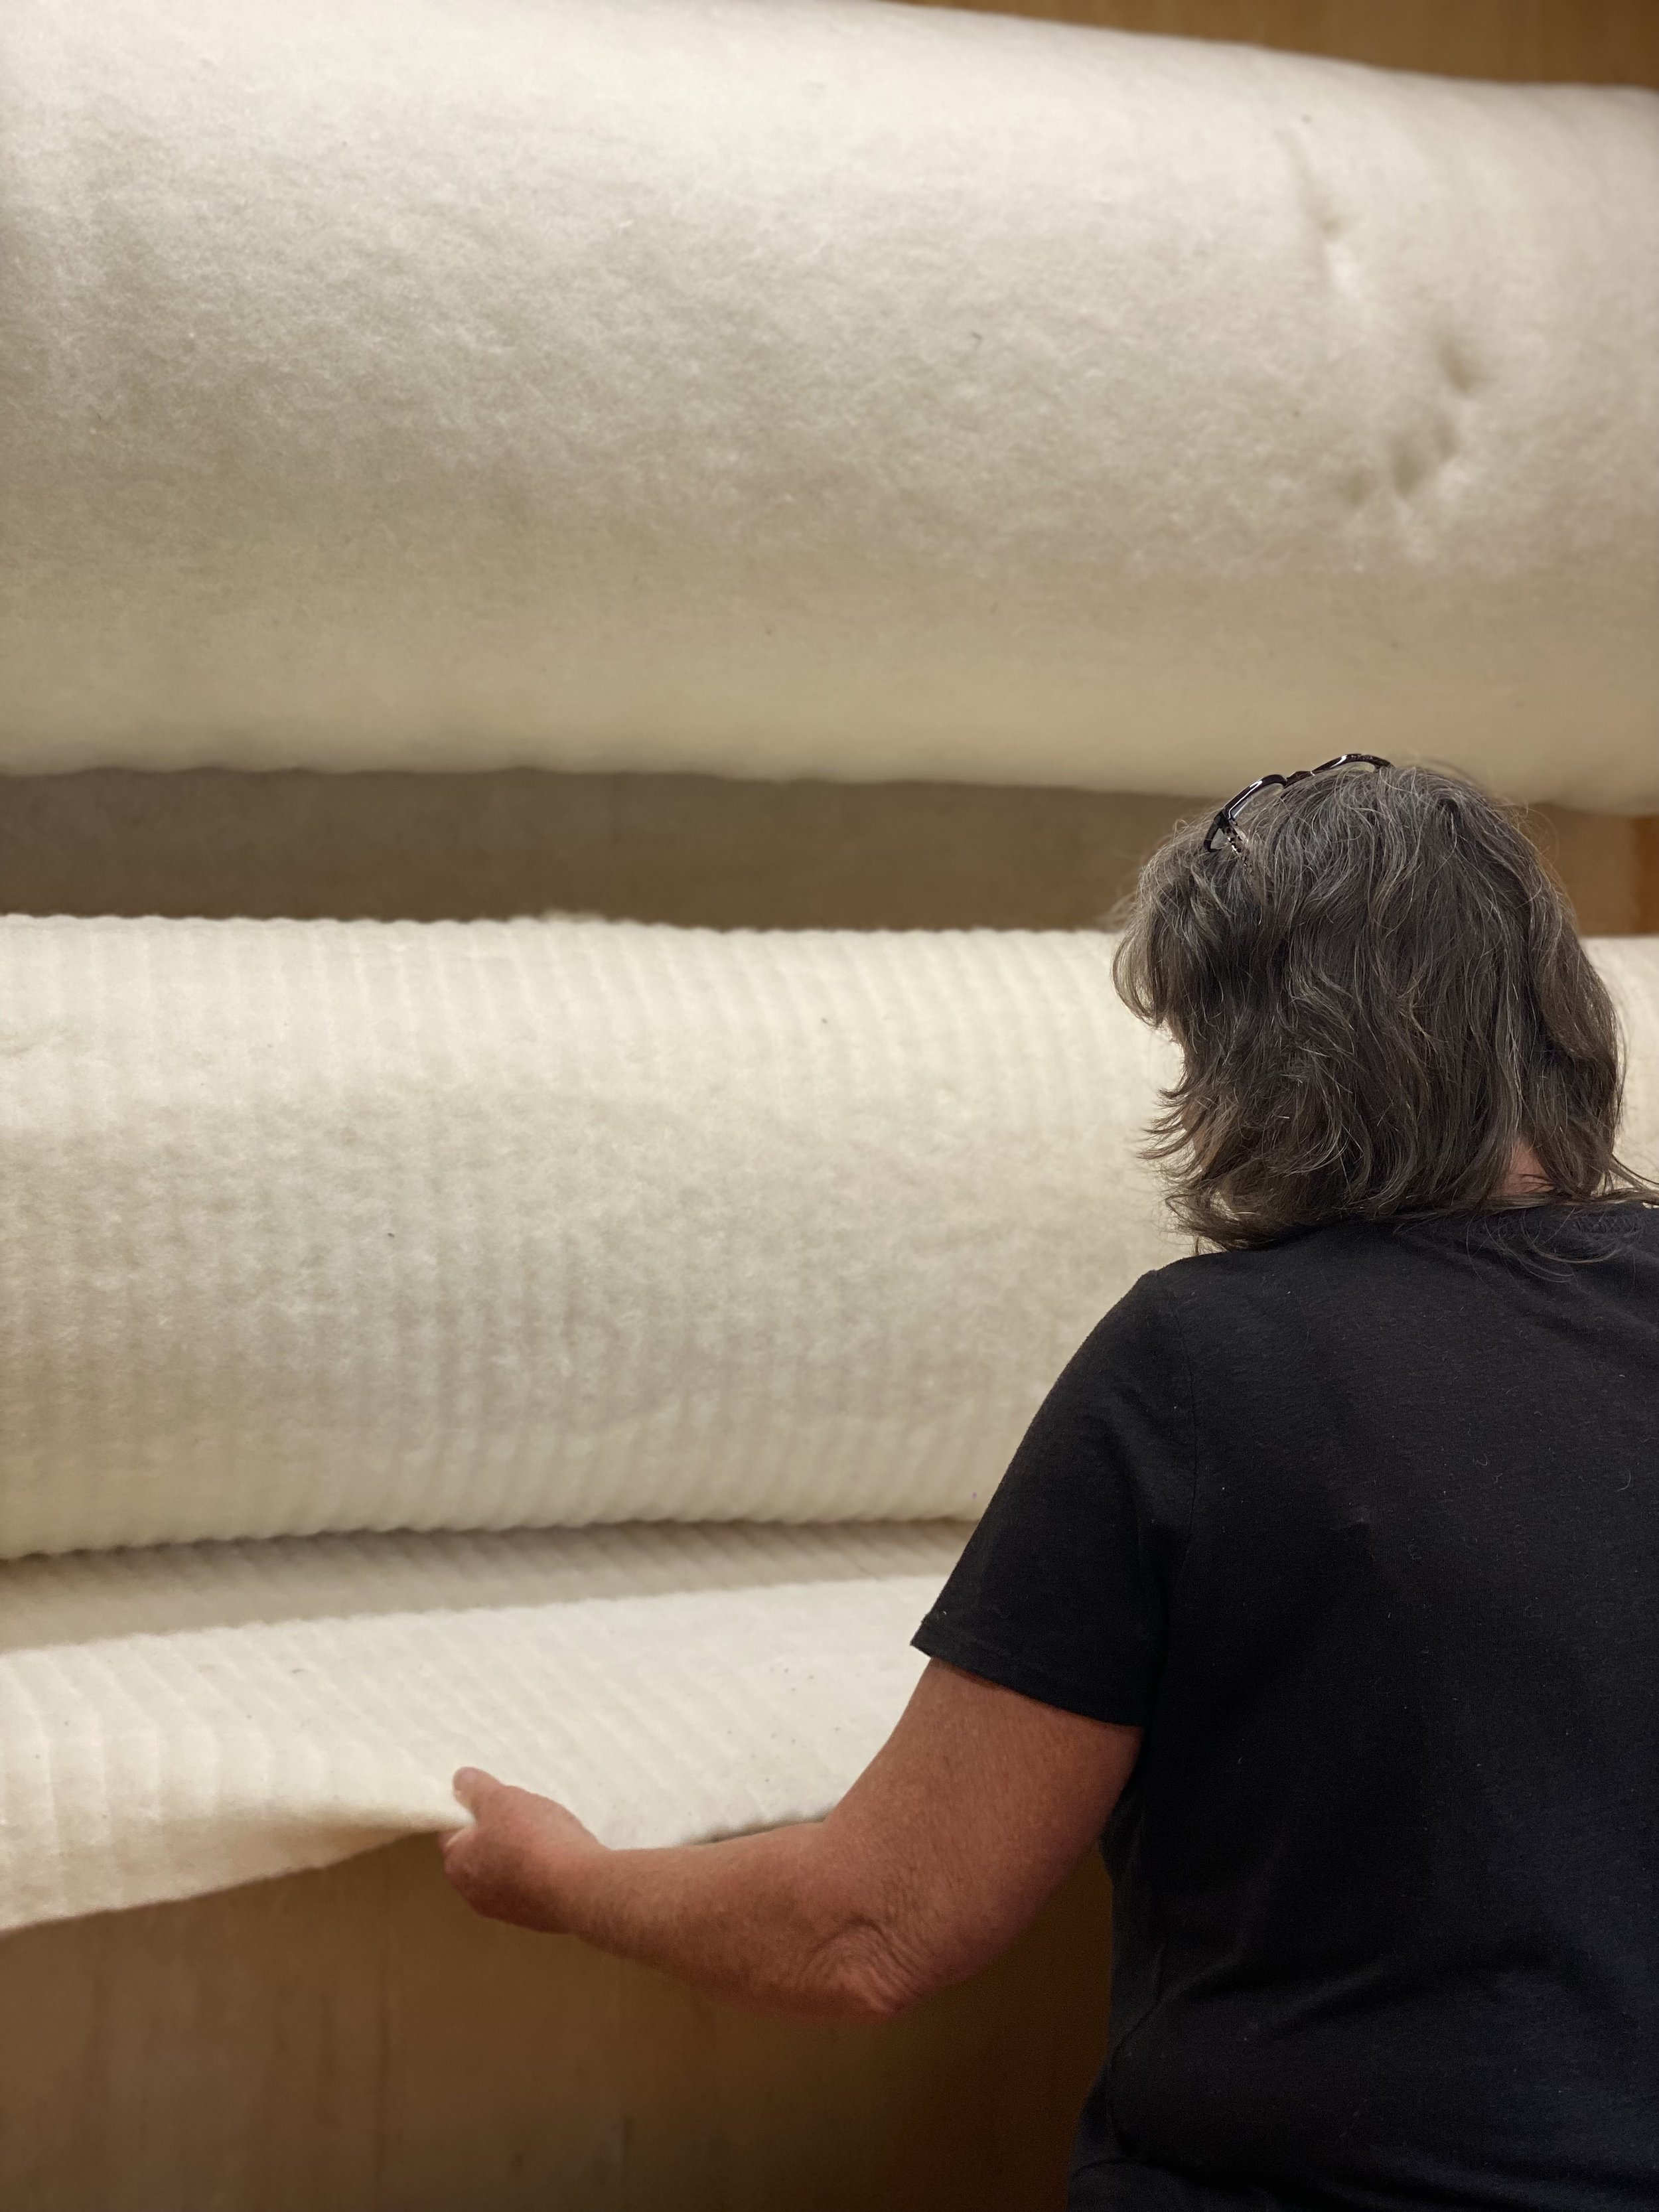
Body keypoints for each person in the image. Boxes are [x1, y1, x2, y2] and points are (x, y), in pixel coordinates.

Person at [441, 759, 1658, 2211]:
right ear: (1559, 1019)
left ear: (1249, 1066)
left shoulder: (1208, 1362)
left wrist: (564, 1879)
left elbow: (869, 1929)